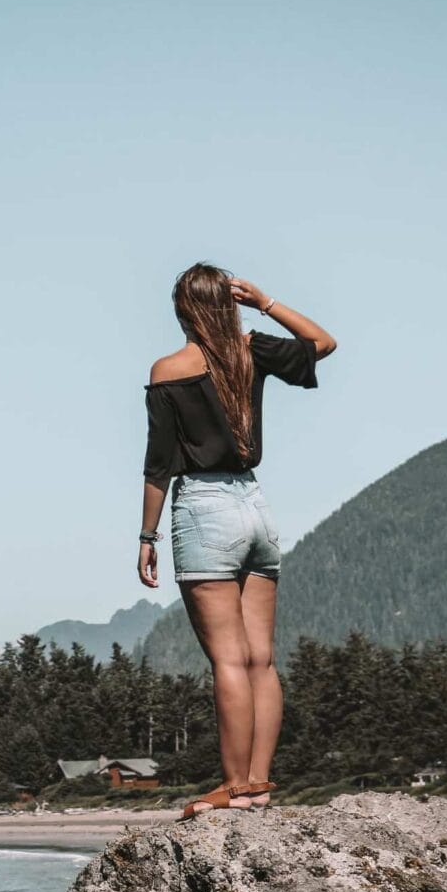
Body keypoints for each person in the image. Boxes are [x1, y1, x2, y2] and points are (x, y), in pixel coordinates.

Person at [137, 262, 337, 819]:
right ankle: (259, 785)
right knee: (261, 661)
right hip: (255, 507)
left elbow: (159, 467)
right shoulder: (252, 351)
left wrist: (147, 535)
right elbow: (323, 342)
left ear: (182, 311)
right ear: (230, 305)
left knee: (227, 659)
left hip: (204, 509)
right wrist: (267, 302)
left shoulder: (168, 370)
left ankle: (233, 787)